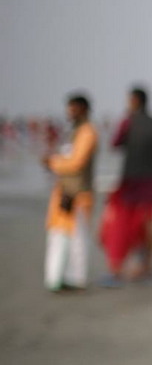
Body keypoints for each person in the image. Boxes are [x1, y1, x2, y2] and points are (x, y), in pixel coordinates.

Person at [99, 86, 152, 284]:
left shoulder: (127, 122)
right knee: (148, 221)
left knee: (125, 221)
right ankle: (147, 263)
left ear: (136, 101)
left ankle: (119, 264)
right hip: (151, 178)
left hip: (130, 179)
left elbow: (114, 144)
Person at [41, 94, 99, 292]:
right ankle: (55, 278)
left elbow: (77, 162)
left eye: (74, 108)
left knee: (78, 239)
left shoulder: (87, 132)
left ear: (84, 109)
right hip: (63, 192)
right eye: (69, 108)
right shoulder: (72, 132)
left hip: (79, 194)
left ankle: (78, 278)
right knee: (58, 235)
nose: (70, 112)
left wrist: (53, 162)